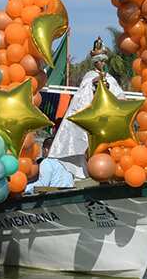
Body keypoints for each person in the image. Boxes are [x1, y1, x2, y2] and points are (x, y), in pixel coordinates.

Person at [49, 37, 125, 179]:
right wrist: (95, 86)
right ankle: (92, 171)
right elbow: (83, 98)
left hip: (108, 119)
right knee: (89, 146)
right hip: (93, 119)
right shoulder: (89, 77)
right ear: (95, 62)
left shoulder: (110, 78)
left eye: (103, 61)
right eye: (99, 61)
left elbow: (119, 96)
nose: (101, 63)